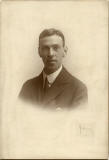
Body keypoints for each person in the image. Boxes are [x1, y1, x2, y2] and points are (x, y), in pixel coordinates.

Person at [19, 28, 88, 109]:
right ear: (39, 52)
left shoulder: (78, 89)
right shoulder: (28, 87)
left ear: (65, 51)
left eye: (56, 48)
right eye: (45, 48)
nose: (50, 53)